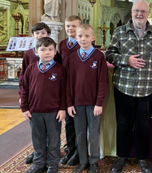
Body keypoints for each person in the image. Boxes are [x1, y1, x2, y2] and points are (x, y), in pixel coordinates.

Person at [105, 0, 152, 173]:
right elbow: (109, 55)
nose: (139, 14)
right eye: (136, 11)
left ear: (148, 14)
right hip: (124, 87)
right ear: (131, 12)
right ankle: (121, 156)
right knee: (123, 124)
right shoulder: (119, 32)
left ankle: (142, 157)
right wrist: (127, 60)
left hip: (148, 89)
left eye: (143, 12)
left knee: (144, 125)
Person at [67, 24, 109, 173]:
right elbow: (68, 82)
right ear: (76, 37)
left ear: (93, 37)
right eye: (80, 36)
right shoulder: (72, 57)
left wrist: (99, 103)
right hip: (77, 103)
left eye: (86, 36)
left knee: (94, 132)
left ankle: (94, 161)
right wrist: (69, 103)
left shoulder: (98, 56)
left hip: (93, 104)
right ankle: (83, 161)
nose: (83, 39)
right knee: (80, 132)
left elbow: (103, 82)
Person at [18, 22, 62, 165]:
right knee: (37, 132)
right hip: (35, 100)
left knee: (52, 132)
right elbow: (23, 77)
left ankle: (52, 156)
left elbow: (61, 77)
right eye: (37, 33)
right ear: (33, 36)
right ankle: (38, 155)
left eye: (43, 33)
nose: (40, 35)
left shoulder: (55, 55)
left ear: (48, 35)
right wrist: (22, 98)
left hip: (51, 101)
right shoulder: (29, 55)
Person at [58, 15, 82, 166]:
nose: (70, 29)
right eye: (68, 26)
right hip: (66, 88)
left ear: (79, 26)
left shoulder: (83, 43)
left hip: (79, 87)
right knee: (68, 121)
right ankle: (71, 149)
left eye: (73, 26)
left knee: (80, 121)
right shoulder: (62, 44)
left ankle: (80, 151)